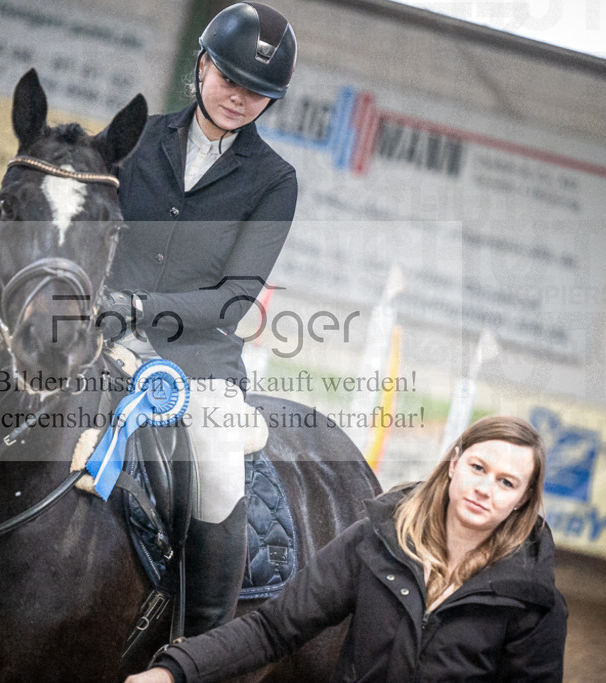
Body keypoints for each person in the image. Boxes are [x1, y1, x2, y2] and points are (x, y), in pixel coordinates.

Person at [99, 1, 299, 638]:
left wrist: (139, 309)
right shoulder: (137, 139)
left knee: (216, 473)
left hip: (198, 369)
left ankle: (197, 647)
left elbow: (237, 300)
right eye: (231, 79)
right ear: (202, 65)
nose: (240, 98)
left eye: (259, 92)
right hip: (95, 341)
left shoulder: (273, 180)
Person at [125, 415, 568, 682]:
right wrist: (174, 670)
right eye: (478, 467)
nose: (485, 488)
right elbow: (274, 629)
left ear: (523, 499)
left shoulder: (532, 603)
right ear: (454, 464)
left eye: (506, 482)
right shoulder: (378, 541)